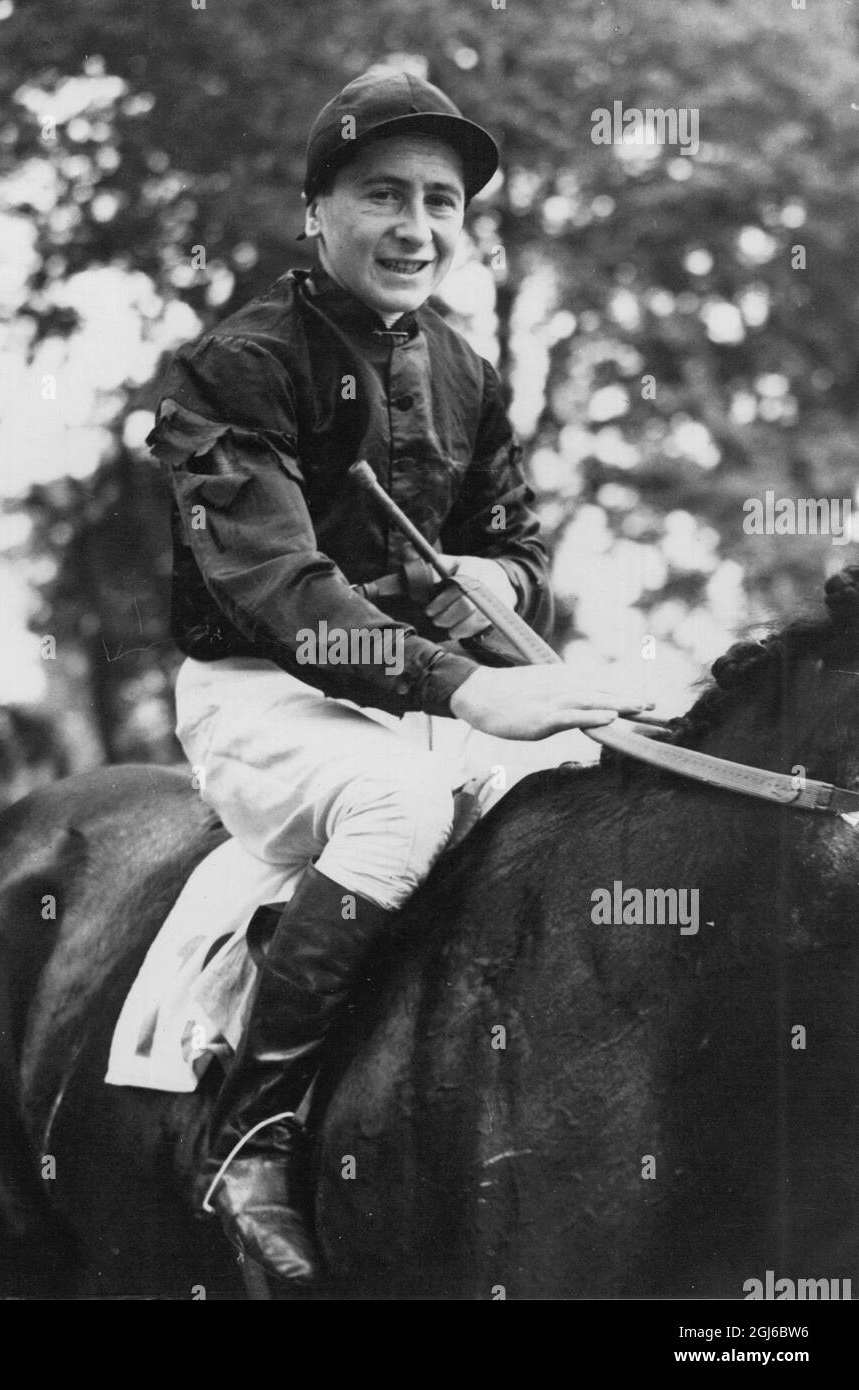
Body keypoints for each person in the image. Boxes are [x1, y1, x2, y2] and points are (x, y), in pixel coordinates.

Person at [147, 68, 649, 1288]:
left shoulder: (466, 370)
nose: (417, 227)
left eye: (441, 201)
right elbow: (283, 595)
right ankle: (249, 1130)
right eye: (383, 194)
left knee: (602, 780)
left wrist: (500, 582)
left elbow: (520, 546)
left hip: (423, 687)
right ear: (313, 208)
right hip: (263, 693)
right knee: (403, 805)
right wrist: (467, 686)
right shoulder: (237, 366)